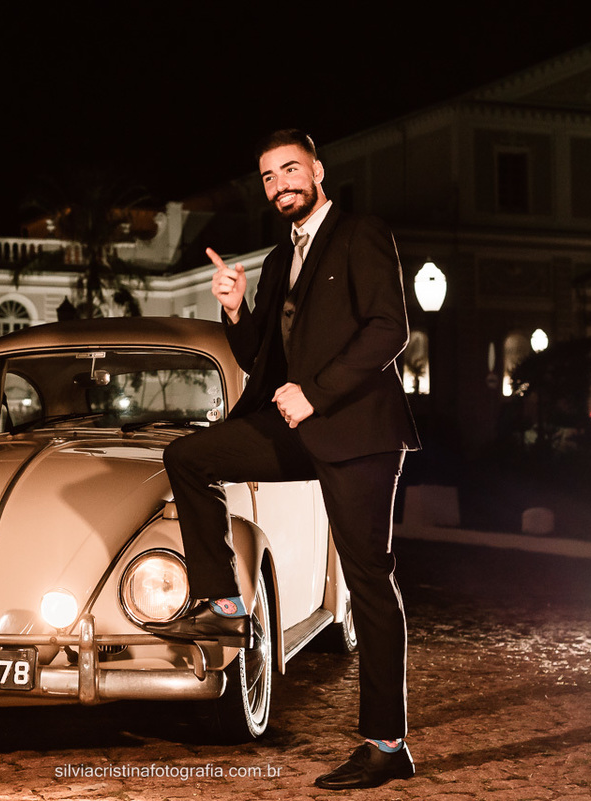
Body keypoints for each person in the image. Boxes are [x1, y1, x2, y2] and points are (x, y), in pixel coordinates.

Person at [143, 129, 421, 789]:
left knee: (369, 581)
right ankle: (225, 601)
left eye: (290, 169)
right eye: (268, 176)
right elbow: (258, 360)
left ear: (317, 170)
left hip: (358, 432)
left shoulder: (360, 233)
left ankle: (387, 744)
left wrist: (316, 393)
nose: (279, 184)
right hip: (295, 424)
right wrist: (235, 309)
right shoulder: (277, 259)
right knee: (189, 456)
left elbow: (390, 328)